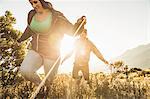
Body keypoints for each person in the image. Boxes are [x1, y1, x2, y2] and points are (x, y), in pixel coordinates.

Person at [17, 0, 85, 86]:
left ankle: (46, 91)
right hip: (35, 50)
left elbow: (72, 31)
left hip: (51, 53)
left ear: (42, 1)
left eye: (35, 2)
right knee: (25, 71)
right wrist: (20, 39)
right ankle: (41, 87)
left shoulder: (56, 16)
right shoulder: (31, 14)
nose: (34, 5)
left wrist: (80, 24)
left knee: (49, 81)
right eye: (31, 3)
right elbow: (29, 29)